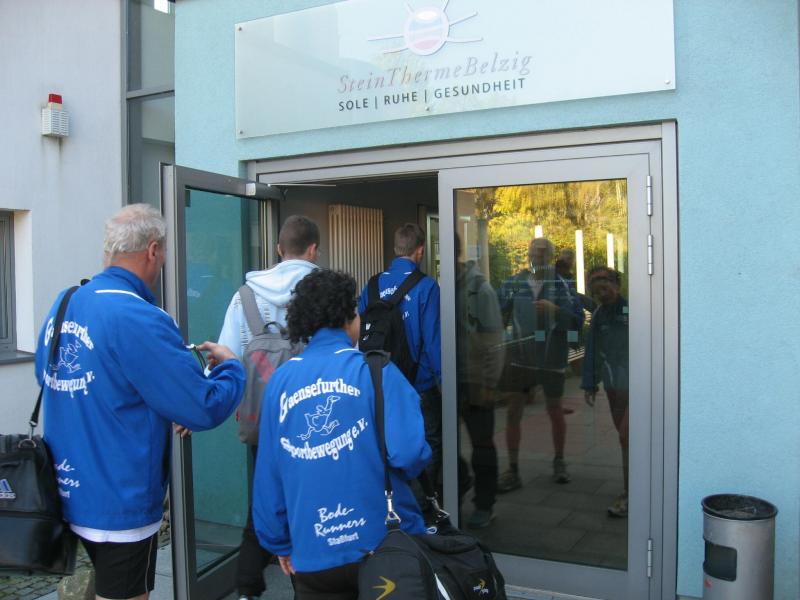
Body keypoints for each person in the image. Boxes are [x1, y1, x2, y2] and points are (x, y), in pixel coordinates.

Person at [35, 204, 245, 600]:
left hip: (66, 489)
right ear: (152, 250)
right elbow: (201, 406)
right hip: (120, 503)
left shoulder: (66, 302)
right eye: (163, 252)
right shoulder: (140, 317)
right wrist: (232, 368)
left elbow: (54, 378)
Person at [253, 269, 430, 600]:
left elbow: (269, 475)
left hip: (313, 554)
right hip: (384, 547)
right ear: (350, 317)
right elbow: (409, 454)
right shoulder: (377, 370)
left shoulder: (280, 382)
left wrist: (279, 541)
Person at [218, 215, 319, 600]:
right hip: (311, 420)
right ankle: (304, 588)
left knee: (264, 501)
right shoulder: (323, 291)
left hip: (261, 419)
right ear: (313, 249)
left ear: (279, 249)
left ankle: (247, 586)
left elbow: (227, 357)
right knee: (307, 506)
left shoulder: (245, 296)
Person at [358, 223, 442, 493]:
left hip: (377, 383)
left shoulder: (371, 286)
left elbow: (359, 334)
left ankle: (392, 501)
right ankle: (425, 504)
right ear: (420, 251)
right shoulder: (427, 287)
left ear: (396, 249)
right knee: (426, 442)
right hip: (418, 384)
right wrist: (445, 381)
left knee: (384, 442)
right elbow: (433, 341)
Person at [497, 237, 583, 489]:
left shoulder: (561, 285)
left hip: (550, 358)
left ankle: (559, 461)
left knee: (555, 409)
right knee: (513, 410)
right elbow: (496, 309)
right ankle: (513, 469)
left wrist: (555, 310)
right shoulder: (515, 282)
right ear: (528, 254)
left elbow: (577, 321)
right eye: (535, 253)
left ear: (551, 257)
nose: (538, 257)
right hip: (520, 358)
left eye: (544, 254)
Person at [455, 238, 504, 528]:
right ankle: (460, 482)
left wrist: (489, 384)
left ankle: (485, 504)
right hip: (451, 380)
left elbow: (494, 340)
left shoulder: (480, 290)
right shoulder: (444, 287)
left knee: (482, 446)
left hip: (476, 381)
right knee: (444, 444)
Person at [581, 266, 629, 518]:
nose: (601, 291)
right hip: (613, 385)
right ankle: (633, 486)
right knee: (625, 439)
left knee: (627, 436)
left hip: (637, 386)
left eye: (605, 284)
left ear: (616, 285)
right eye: (596, 288)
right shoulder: (599, 315)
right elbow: (592, 349)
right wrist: (589, 383)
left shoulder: (633, 310)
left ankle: (631, 493)